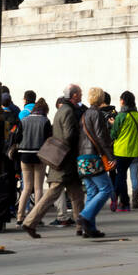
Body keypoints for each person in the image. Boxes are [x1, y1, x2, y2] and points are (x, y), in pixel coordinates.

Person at [22, 84, 86, 237]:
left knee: (77, 195)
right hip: (66, 161)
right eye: (80, 93)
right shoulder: (69, 111)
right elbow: (70, 135)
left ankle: (82, 226)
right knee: (53, 194)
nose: (81, 95)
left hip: (63, 160)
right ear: (74, 95)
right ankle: (30, 222)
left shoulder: (62, 110)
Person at [76, 88, 114, 238]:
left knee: (92, 191)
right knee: (106, 189)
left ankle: (89, 228)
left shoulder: (84, 114)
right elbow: (101, 136)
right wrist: (110, 156)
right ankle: (85, 215)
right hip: (92, 156)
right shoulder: (96, 113)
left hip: (81, 157)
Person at [17, 98, 52, 225]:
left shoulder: (24, 120)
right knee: (38, 188)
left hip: (24, 155)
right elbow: (49, 140)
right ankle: (36, 218)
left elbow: (17, 137)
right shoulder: (45, 121)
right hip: (39, 155)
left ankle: (20, 217)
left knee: (26, 188)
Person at [109, 91, 138, 211]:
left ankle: (123, 202)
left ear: (123, 101)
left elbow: (114, 134)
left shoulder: (121, 116)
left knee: (121, 177)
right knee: (126, 176)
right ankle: (117, 200)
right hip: (134, 152)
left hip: (121, 151)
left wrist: (113, 125)